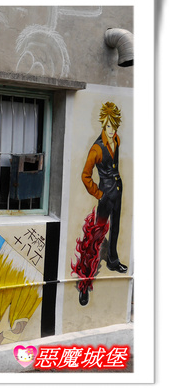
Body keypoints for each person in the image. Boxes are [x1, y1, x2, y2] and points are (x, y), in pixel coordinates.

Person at [81, 102, 127, 274]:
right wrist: (99, 194)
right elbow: (85, 175)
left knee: (115, 228)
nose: (111, 130)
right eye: (108, 126)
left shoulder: (117, 140)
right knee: (98, 230)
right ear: (103, 124)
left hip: (117, 191)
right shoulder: (97, 148)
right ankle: (88, 265)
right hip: (105, 193)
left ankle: (113, 261)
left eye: (114, 126)